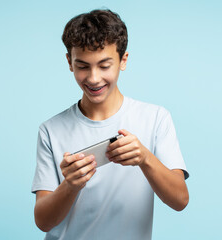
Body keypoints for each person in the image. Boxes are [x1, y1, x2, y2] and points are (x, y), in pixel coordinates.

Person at [31, 9, 189, 240]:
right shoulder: (51, 130)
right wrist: (71, 186)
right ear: (69, 62)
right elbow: (43, 222)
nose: (94, 78)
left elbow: (180, 200)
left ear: (123, 60)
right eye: (83, 66)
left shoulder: (155, 118)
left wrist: (145, 159)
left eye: (104, 65)